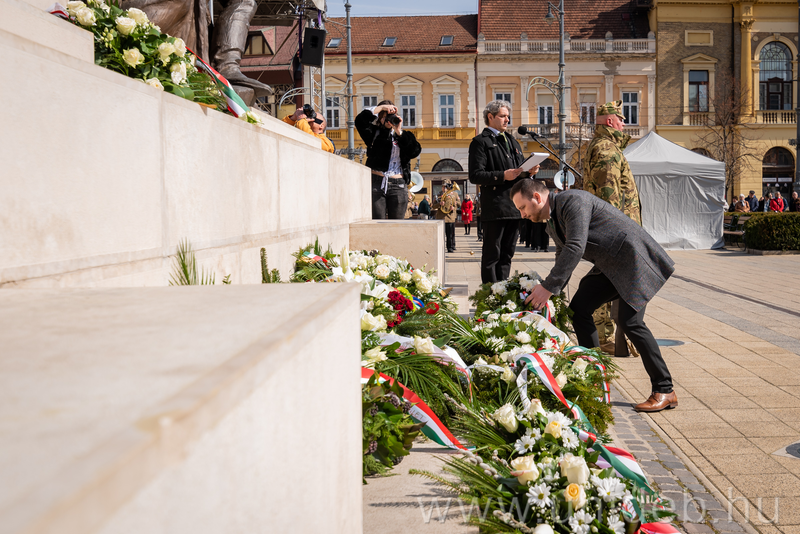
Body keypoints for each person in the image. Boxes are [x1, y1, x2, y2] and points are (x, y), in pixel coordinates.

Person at [511, 179, 677, 412]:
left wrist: (548, 287)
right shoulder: (553, 220)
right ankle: (596, 380)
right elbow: (563, 254)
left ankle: (665, 389)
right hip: (611, 265)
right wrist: (552, 294)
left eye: (522, 207)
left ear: (537, 197)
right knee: (579, 311)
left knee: (630, 321)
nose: (522, 214)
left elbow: (575, 246)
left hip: (632, 258)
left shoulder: (572, 201)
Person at [582, 100, 641, 357]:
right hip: (616, 231)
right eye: (621, 120)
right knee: (609, 282)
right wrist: (618, 233)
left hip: (614, 230)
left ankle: (607, 335)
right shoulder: (607, 149)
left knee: (609, 281)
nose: (624, 124)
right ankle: (606, 337)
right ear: (610, 121)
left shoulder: (603, 145)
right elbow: (609, 196)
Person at [468, 100, 539, 283]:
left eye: (508, 116)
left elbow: (518, 172)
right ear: (490, 117)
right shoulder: (480, 142)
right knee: (492, 254)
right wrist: (502, 175)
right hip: (495, 207)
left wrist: (529, 172)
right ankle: (490, 293)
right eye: (502, 116)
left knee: (507, 254)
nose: (507, 120)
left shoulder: (513, 141)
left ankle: (503, 290)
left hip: (515, 207)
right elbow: (475, 175)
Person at [355, 100, 422, 219]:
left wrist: (399, 132)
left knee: (396, 225)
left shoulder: (404, 135)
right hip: (376, 182)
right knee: (377, 223)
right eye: (385, 117)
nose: (388, 120)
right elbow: (360, 121)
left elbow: (414, 151)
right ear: (380, 118)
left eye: (391, 117)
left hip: (398, 184)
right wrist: (381, 108)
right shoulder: (373, 133)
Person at [433, 180, 461, 252]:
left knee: (450, 234)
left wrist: (453, 207)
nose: (444, 188)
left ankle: (450, 247)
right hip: (441, 217)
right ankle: (440, 248)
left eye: (446, 186)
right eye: (443, 186)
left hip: (450, 217)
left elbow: (459, 204)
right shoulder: (438, 194)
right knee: (440, 235)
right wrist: (439, 204)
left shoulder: (454, 194)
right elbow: (433, 206)